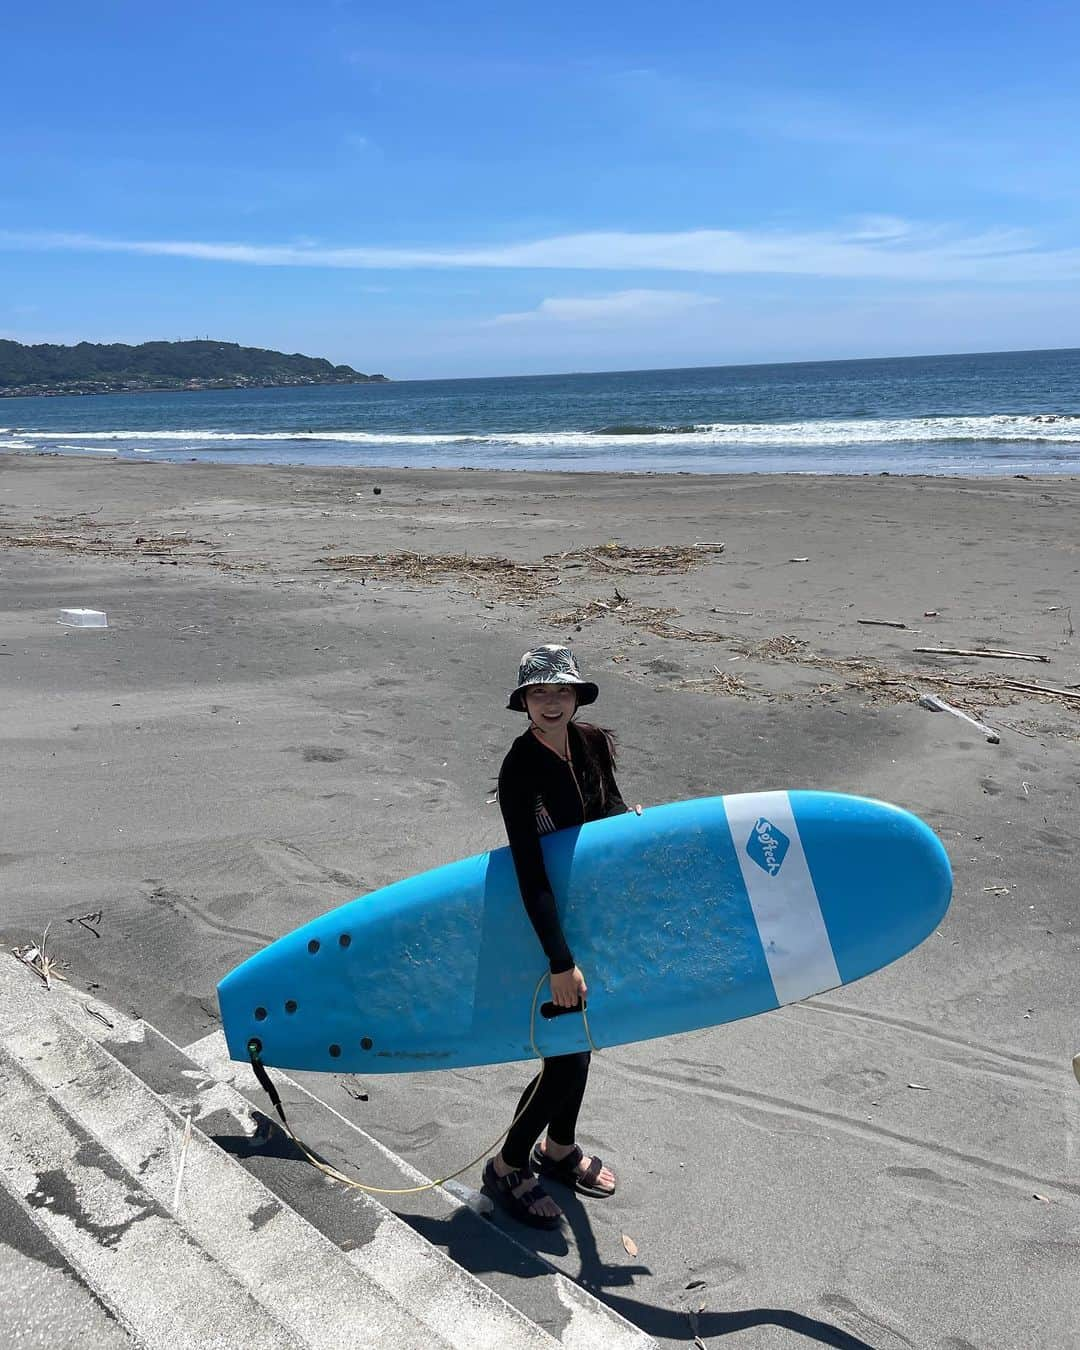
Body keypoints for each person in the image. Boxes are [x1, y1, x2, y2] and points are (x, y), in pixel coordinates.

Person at [483, 644, 631, 1229]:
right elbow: (530, 871)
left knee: (581, 1039)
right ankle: (509, 1164)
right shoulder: (519, 769)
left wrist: (633, 830)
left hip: (590, 912)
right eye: (540, 693)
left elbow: (609, 807)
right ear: (523, 702)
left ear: (576, 697)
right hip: (544, 923)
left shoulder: (590, 742)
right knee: (565, 1055)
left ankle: (560, 1149)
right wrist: (560, 960)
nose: (552, 702)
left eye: (561, 691)